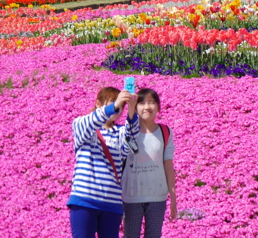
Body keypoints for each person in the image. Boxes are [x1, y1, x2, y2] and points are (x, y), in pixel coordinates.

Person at [68, 86, 139, 238]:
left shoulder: (120, 132)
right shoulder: (83, 126)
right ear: (98, 104)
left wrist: (132, 111)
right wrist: (113, 106)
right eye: (113, 103)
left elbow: (131, 143)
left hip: (111, 204)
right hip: (84, 200)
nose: (118, 109)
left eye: (121, 106)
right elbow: (91, 120)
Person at [122, 88, 177, 237]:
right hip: (131, 195)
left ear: (158, 107)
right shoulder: (125, 132)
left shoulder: (165, 132)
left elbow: (168, 165)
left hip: (157, 196)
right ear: (134, 106)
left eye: (152, 102)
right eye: (142, 103)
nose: (147, 107)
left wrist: (173, 196)